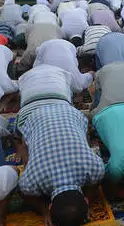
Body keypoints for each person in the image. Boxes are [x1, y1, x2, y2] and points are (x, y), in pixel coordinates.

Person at [16, 65, 105, 226]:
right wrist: (43, 210)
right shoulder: (32, 181)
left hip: (63, 106)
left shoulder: (94, 169)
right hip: (31, 112)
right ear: (50, 206)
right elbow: (25, 192)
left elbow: (96, 181)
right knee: (25, 142)